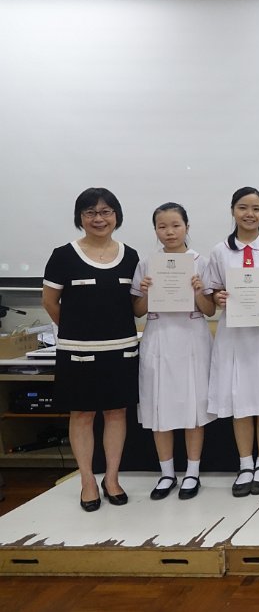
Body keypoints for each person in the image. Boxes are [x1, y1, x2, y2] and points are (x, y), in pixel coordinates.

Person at [42, 188, 140, 511]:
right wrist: (77, 330)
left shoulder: (131, 256)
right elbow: (50, 302)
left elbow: (135, 306)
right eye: (90, 212)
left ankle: (111, 478)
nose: (99, 218)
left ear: (116, 216)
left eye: (106, 212)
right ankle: (87, 480)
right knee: (82, 414)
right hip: (78, 352)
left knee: (116, 413)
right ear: (80, 217)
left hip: (121, 350)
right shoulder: (63, 255)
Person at [205, 187, 259, 498]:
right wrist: (218, 296)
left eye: (256, 208)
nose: (249, 214)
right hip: (235, 334)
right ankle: (245, 464)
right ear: (233, 211)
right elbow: (213, 291)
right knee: (240, 397)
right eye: (243, 207)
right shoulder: (220, 251)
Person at [132, 203, 216, 501]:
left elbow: (210, 310)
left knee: (194, 408)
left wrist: (198, 291)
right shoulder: (147, 264)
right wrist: (145, 292)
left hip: (192, 339)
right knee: (159, 407)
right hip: (159, 339)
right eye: (162, 226)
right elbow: (138, 311)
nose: (169, 232)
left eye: (176, 225)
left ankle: (192, 472)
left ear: (187, 227)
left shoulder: (201, 262)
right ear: (155, 230)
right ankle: (167, 473)